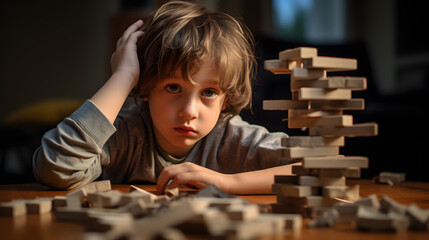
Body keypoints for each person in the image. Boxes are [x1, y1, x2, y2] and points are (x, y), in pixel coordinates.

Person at [32, 1, 298, 195]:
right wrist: (123, 76)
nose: (189, 111)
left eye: (208, 92)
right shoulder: (126, 133)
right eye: (173, 88)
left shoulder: (234, 140)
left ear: (226, 99)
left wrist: (228, 182)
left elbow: (325, 172)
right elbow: (55, 168)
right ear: (146, 87)